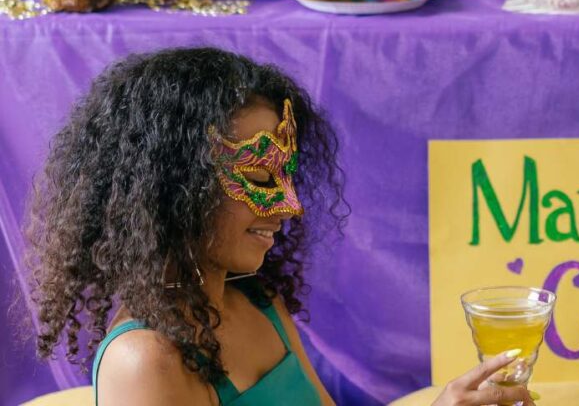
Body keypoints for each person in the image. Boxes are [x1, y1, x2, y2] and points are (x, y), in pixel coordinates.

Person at [25, 47, 537, 406]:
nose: (289, 206)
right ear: (171, 188)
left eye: (287, 177)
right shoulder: (146, 360)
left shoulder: (259, 303)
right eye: (255, 176)